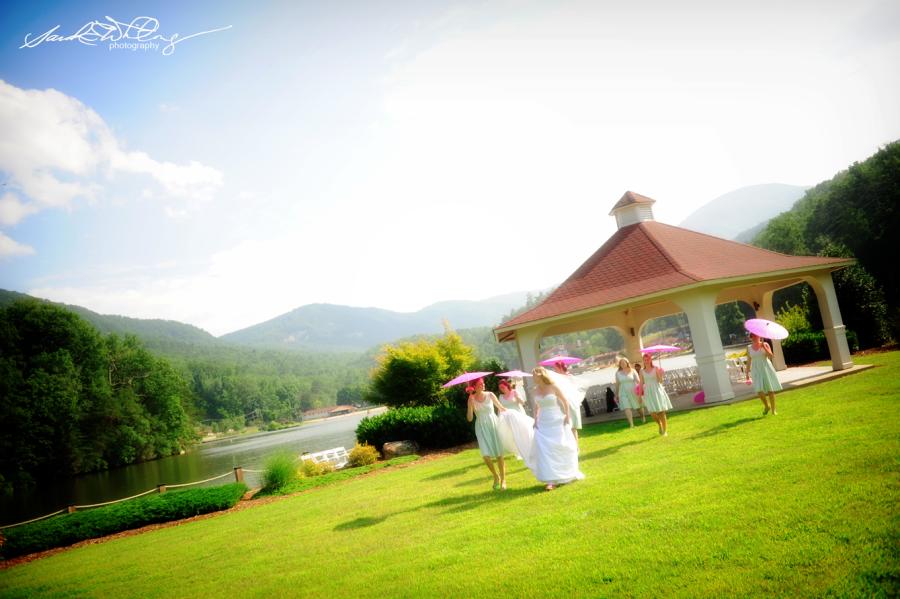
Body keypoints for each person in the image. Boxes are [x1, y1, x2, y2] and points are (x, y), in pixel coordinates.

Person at [530, 366, 584, 490]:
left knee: (560, 446)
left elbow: (565, 401)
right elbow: (536, 406)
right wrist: (535, 419)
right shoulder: (535, 390)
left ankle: (565, 473)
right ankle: (551, 480)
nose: (533, 378)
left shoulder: (553, 387)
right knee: (544, 449)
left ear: (541, 375)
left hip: (556, 419)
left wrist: (567, 416)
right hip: (543, 422)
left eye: (534, 375)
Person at [465, 378, 508, 490]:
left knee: (499, 454)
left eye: (483, 383)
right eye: (480, 384)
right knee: (485, 455)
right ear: (474, 386)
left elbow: (501, 407)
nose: (483, 385)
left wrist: (511, 415)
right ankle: (495, 476)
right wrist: (470, 404)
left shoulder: (490, 394)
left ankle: (503, 480)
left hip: (493, 424)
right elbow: (469, 419)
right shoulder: (471, 399)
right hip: (480, 427)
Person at [496, 379, 535, 459]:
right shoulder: (501, 396)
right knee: (513, 434)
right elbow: (499, 408)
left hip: (518, 414)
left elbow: (522, 403)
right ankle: (519, 451)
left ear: (507, 386)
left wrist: (517, 397)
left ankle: (528, 447)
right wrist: (498, 418)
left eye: (502, 387)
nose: (501, 389)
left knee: (522, 432)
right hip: (508, 418)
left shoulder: (514, 392)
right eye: (500, 388)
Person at [747, 332, 783, 415]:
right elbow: (749, 361)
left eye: (756, 335)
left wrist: (764, 347)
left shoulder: (765, 344)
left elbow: (771, 356)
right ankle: (767, 406)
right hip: (755, 369)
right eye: (753, 336)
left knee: (770, 390)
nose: (755, 337)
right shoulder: (749, 347)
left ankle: (774, 410)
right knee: (759, 390)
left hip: (766, 367)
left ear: (759, 336)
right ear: (751, 337)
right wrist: (747, 374)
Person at [640, 353, 672, 436]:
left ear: (651, 360)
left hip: (657, 390)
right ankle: (659, 424)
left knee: (661, 412)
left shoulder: (656, 368)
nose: (646, 361)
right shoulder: (641, 371)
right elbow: (641, 383)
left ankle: (665, 431)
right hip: (648, 392)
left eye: (648, 359)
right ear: (643, 361)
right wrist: (640, 395)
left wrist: (660, 375)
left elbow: (660, 381)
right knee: (652, 412)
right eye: (645, 360)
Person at [553, 361, 585, 443]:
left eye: (555, 368)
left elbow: (574, 389)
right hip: (562, 403)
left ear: (560, 368)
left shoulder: (569, 376)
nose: (554, 370)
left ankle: (576, 447)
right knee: (565, 426)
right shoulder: (556, 379)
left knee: (573, 426)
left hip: (571, 402)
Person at [614, 357, 645, 428]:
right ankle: (631, 424)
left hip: (633, 390)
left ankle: (642, 417)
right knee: (626, 407)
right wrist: (616, 394)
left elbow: (638, 381)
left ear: (627, 363)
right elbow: (617, 384)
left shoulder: (633, 370)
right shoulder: (617, 373)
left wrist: (642, 388)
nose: (622, 364)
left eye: (623, 362)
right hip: (623, 392)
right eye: (621, 363)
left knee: (638, 407)